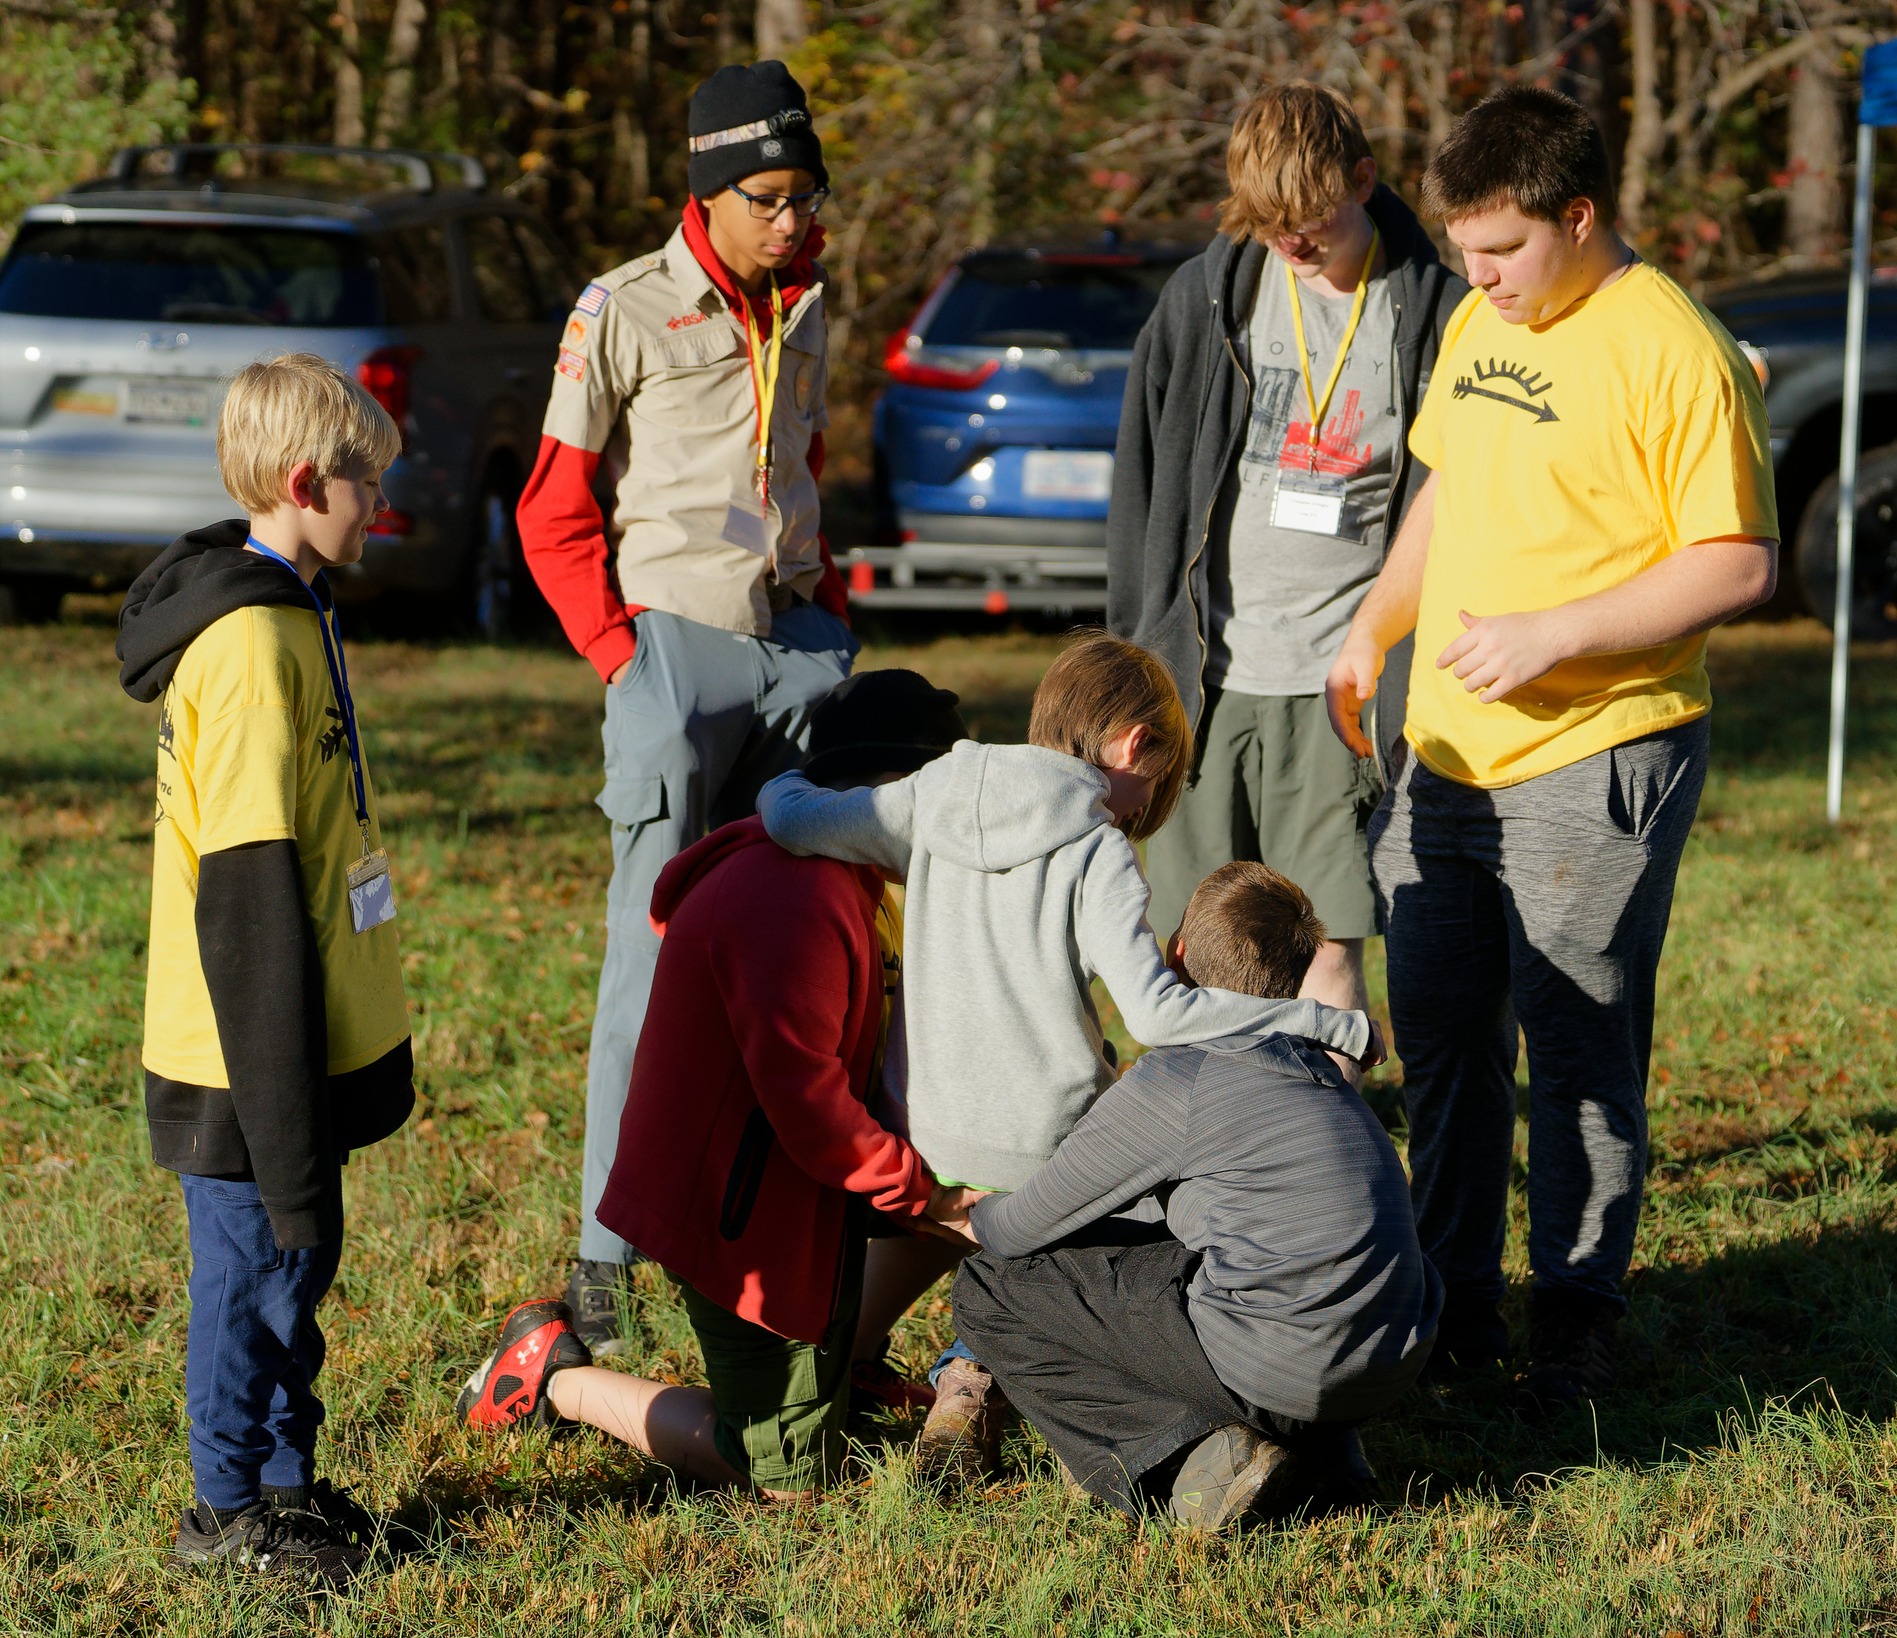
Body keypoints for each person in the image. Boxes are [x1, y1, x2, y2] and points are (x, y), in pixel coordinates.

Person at [1322, 86, 1778, 1411]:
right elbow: (1450, 485)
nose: (1477, 275)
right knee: (1447, 1037)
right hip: (1446, 754)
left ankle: (1574, 1323)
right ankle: (1451, 1306)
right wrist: (1372, 626)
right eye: (1466, 249)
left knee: (1576, 1044)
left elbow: (1739, 562)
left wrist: (1556, 635)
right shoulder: (1480, 317)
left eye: (1505, 249)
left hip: (1596, 750)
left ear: (1581, 217)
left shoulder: (1669, 346)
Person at [755, 633, 1383, 1476]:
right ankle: (984, 1380)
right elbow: (1158, 1015)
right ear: (1132, 745)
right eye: (1146, 793)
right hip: (1051, 1152)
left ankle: (834, 1380)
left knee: (955, 1225)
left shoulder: (932, 796)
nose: (1134, 814)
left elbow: (792, 821)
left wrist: (776, 772)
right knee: (1162, 1239)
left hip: (928, 1135)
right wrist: (1317, 1023)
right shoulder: (1096, 850)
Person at [517, 60, 855, 1352]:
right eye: (768, 197)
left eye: (807, 194)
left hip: (795, 653)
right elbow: (551, 505)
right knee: (648, 967)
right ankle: (606, 1255)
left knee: (802, 957)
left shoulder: (808, 295)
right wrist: (623, 661)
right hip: (671, 657)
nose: (792, 219)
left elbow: (805, 459)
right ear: (707, 194)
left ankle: (778, 1222)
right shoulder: (621, 307)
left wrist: (830, 620)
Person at [459, 671, 980, 1500]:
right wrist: (936, 1198)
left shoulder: (860, 876)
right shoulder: (794, 898)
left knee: (974, 1177)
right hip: (741, 1217)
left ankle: (846, 1362)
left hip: (801, 1190)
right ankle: (551, 1375)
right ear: (892, 792)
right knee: (787, 1480)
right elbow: (811, 1111)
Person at [114, 354, 416, 1583]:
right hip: (248, 1045)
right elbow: (244, 899)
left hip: (304, 1032)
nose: (381, 508)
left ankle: (287, 1486)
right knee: (249, 1279)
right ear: (305, 483)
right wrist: (282, 1093)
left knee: (300, 1268)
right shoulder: (246, 647)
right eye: (369, 485)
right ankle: (224, 1511)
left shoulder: (296, 607)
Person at [1106, 83, 1466, 1016]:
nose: (1292, 245)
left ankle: (1325, 1154)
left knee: (1328, 954)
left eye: (1309, 220)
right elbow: (1143, 491)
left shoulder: (1432, 310)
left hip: (1340, 686)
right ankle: (1208, 1153)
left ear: (1363, 179)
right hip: (1207, 685)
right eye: (1270, 227)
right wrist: (1136, 663)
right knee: (1191, 955)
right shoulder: (1205, 298)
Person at [948, 861, 1440, 1531]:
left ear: (1176, 953)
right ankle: (1323, 1453)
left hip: (1283, 1366)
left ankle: (1186, 1466)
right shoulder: (1321, 1074)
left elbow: (1015, 1233)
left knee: (991, 1286)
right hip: (1392, 1358)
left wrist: (965, 1210)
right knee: (1184, 1261)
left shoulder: (1183, 1077)